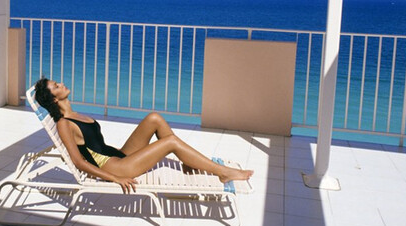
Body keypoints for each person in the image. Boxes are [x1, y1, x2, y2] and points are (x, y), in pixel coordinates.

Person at [33, 77, 252, 193]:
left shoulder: (75, 113)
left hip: (118, 155)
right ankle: (223, 173)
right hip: (117, 167)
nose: (61, 83)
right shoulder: (64, 124)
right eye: (55, 85)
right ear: (54, 99)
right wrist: (116, 178)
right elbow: (78, 161)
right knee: (171, 142)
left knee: (154, 118)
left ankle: (187, 162)